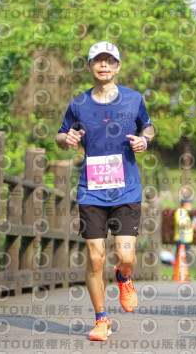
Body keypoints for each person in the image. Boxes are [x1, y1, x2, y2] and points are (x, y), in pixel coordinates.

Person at [55, 41, 154, 341]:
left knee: (125, 256)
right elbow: (60, 136)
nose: (104, 65)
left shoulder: (133, 99)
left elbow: (148, 127)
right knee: (95, 256)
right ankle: (101, 319)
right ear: (89, 67)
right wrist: (67, 139)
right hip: (92, 190)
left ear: (118, 66)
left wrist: (144, 141)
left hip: (126, 190)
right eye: (98, 60)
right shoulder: (78, 104)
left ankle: (124, 277)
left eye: (110, 61)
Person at [173, 196, 196, 262]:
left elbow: (195, 227)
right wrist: (191, 224)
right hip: (181, 239)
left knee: (183, 260)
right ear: (185, 203)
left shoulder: (185, 213)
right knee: (180, 260)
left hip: (186, 240)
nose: (191, 205)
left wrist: (195, 224)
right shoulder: (180, 212)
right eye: (189, 203)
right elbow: (181, 225)